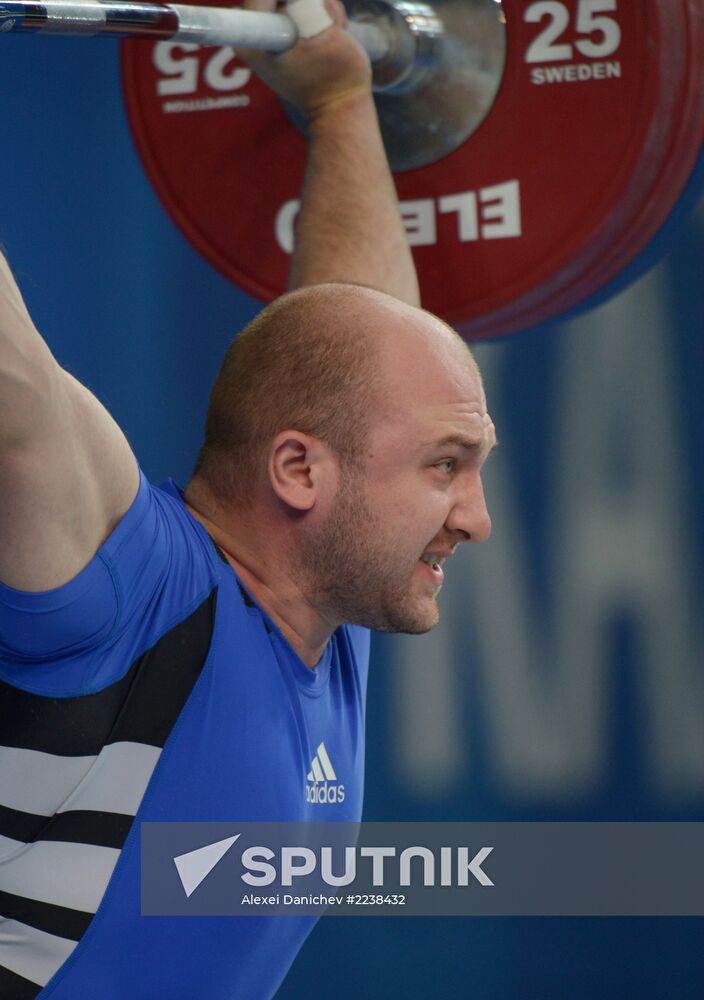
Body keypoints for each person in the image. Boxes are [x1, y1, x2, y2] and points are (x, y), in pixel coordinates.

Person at [0, 1, 495, 997]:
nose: (475, 517)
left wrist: (343, 98)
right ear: (299, 473)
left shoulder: (323, 606)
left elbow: (364, 335)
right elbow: (16, 397)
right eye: (444, 466)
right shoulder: (130, 593)